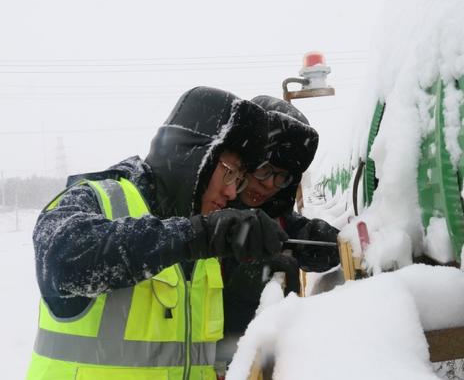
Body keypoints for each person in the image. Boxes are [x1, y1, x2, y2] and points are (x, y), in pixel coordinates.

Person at [26, 86, 288, 380]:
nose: (231, 191)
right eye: (229, 172)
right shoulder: (98, 199)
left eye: (239, 180)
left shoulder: (199, 237)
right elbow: (61, 260)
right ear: (194, 155)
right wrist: (193, 235)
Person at [220, 95, 340, 337]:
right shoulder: (205, 214)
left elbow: (293, 233)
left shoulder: (277, 218)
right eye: (264, 170)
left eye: (282, 177)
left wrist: (318, 239)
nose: (269, 185)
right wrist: (233, 295)